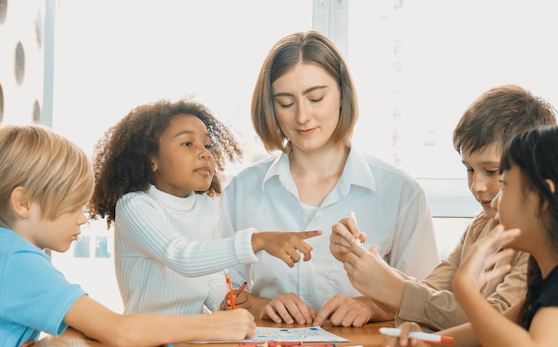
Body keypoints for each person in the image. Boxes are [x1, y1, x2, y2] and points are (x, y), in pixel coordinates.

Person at [0, 124, 256, 347]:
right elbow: (119, 330)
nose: (83, 217)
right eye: (72, 206)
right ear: (23, 202)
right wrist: (215, 325)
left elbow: (86, 333)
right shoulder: (13, 263)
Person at [218, 30, 440, 327]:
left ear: (342, 96)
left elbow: (429, 300)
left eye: (316, 98)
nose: (302, 117)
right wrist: (264, 306)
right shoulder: (241, 191)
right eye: (286, 103)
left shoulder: (400, 192)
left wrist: (372, 307)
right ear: (271, 107)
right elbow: (222, 295)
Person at [330, 84, 557, 331]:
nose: (477, 186)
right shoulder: (481, 224)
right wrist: (375, 276)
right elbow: (433, 290)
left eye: (493, 173)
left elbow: (497, 321)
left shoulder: (537, 242)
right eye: (469, 169)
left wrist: (392, 288)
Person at [88, 99, 320, 315]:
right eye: (188, 143)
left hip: (196, 335)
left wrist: (252, 304)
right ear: (151, 159)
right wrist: (258, 241)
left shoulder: (207, 208)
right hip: (148, 338)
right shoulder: (135, 205)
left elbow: (214, 286)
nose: (204, 153)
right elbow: (183, 257)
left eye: (207, 145)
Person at [382, 125, 558, 347]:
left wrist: (466, 290)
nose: (495, 202)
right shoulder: (542, 281)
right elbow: (490, 332)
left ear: (539, 199)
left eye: (504, 185)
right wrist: (423, 341)